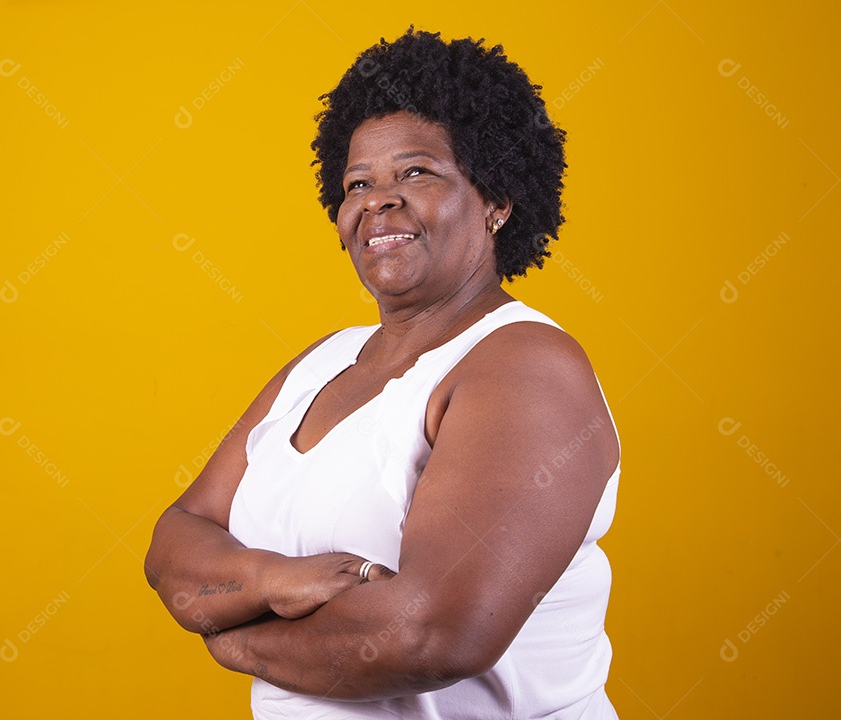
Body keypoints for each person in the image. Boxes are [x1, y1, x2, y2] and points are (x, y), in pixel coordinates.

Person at [145, 28, 621, 719]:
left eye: (416, 172)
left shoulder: (525, 368)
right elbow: (174, 543)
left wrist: (234, 636)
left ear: (497, 200)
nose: (378, 202)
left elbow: (432, 634)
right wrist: (273, 580)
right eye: (357, 184)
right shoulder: (324, 361)